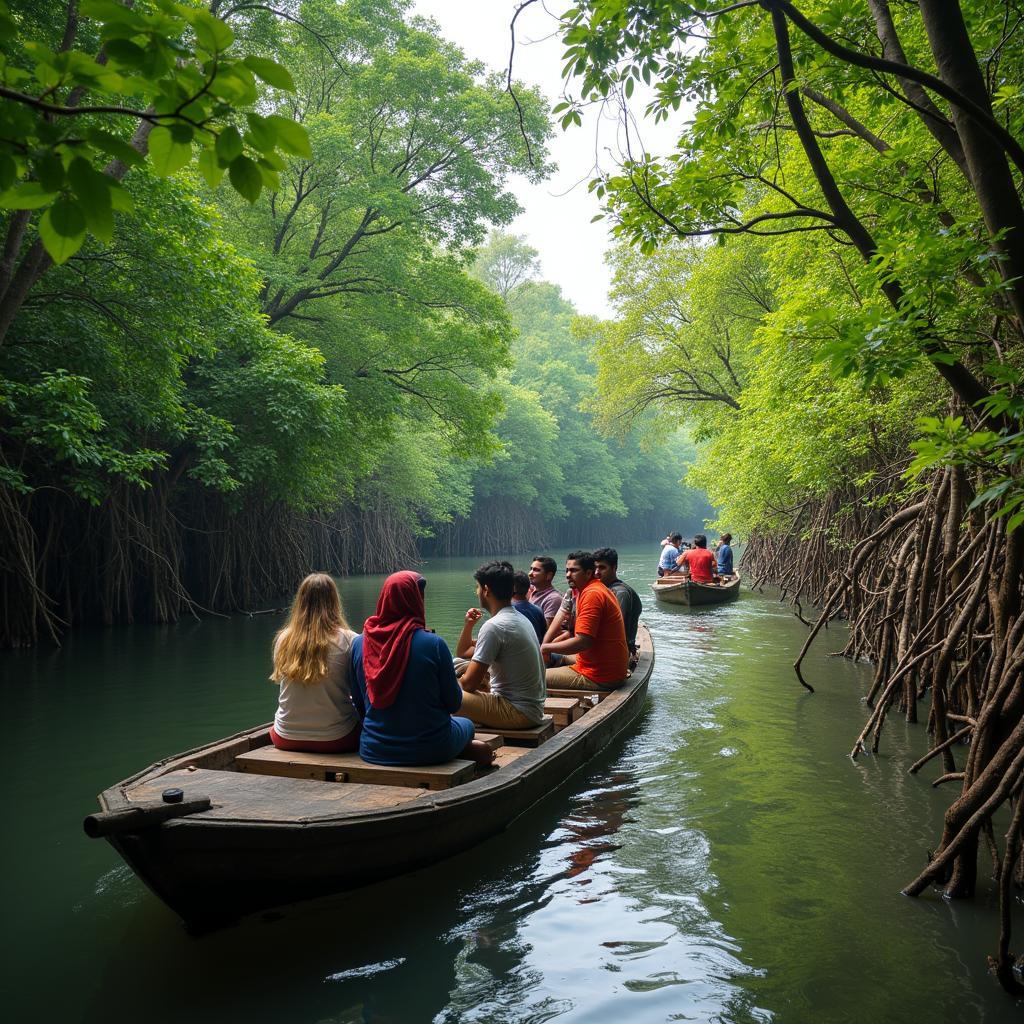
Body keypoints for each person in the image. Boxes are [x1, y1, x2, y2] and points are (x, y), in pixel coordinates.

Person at [351, 571, 493, 766]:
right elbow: (454, 703)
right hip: (431, 748)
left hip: (373, 748)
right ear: (415, 600)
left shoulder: (359, 643)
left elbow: (359, 704)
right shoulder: (434, 644)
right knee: (466, 724)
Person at [269, 573, 361, 754]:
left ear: (300, 602)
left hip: (285, 737)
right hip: (336, 739)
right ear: (335, 602)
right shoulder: (351, 640)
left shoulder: (283, 639)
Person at [456, 560, 546, 730]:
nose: (477, 592)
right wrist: (468, 625)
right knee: (458, 666)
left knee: (441, 695)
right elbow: (463, 652)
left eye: (477, 587)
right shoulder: (518, 618)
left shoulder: (494, 626)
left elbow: (469, 684)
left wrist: (445, 686)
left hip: (517, 712)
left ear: (486, 590)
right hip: (531, 710)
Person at [543, 551, 629, 690]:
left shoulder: (592, 594)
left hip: (599, 676)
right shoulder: (595, 589)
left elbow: (583, 642)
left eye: (574, 570)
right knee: (555, 656)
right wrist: (547, 648)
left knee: (531, 678)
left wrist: (545, 647)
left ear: (589, 573)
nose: (568, 575)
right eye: (567, 570)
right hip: (603, 666)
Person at [592, 547, 643, 660]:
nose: (596, 572)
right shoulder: (604, 589)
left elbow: (617, 630)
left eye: (602, 568)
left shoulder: (620, 593)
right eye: (595, 568)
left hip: (618, 655)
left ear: (614, 568)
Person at [512, 570, 546, 645]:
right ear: (528, 588)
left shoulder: (509, 610)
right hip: (537, 650)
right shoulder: (538, 610)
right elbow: (543, 634)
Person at [527, 555, 562, 625]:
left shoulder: (553, 599)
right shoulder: (530, 589)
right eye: (531, 569)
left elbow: (546, 629)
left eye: (536, 570)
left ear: (549, 575)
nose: (530, 573)